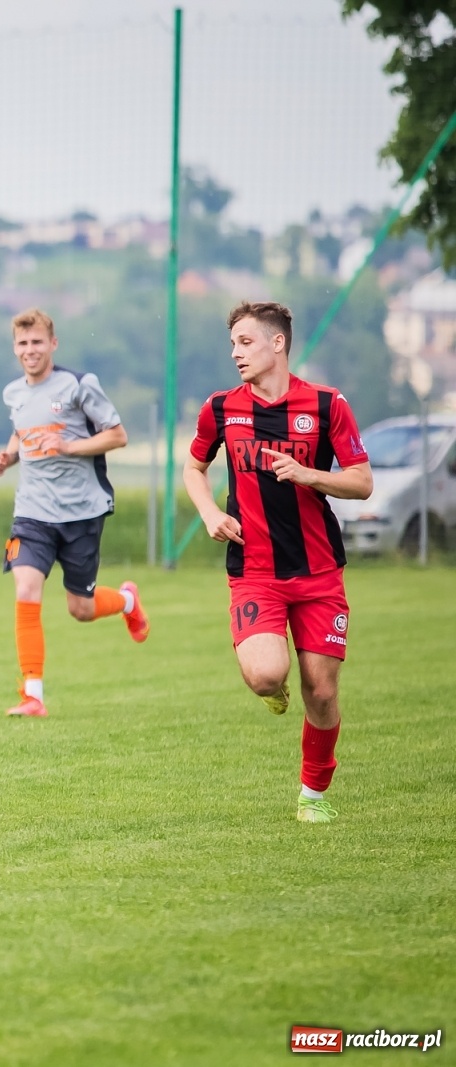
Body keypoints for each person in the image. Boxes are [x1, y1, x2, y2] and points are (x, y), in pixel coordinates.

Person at [185, 301, 372, 824]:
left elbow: (361, 481)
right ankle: (272, 687)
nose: (235, 354)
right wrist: (207, 513)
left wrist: (310, 475)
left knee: (322, 689)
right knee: (268, 675)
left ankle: (313, 795)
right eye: (232, 345)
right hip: (254, 573)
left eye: (245, 343)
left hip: (318, 574)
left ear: (277, 344)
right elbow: (193, 467)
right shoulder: (221, 408)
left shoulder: (328, 404)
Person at [0, 308, 149, 718]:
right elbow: (22, 430)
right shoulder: (14, 394)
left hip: (81, 512)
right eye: (23, 344)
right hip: (32, 511)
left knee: (81, 608)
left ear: (53, 344)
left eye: (37, 342)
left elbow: (118, 435)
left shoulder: (79, 385)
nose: (30, 350)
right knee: (26, 588)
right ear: (15, 349)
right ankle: (33, 695)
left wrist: (71, 447)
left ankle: (128, 602)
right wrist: (8, 457)